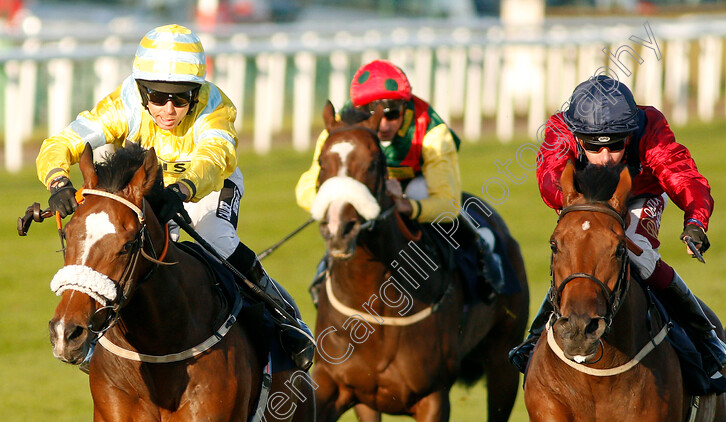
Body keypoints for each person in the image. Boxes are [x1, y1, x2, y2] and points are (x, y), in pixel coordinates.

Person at [35, 24, 314, 371]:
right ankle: (98, 335)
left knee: (217, 238)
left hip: (205, 186)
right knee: (116, 248)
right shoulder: (122, 104)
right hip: (143, 187)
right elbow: (63, 142)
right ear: (141, 91)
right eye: (158, 97)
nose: (168, 109)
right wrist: (58, 181)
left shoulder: (216, 107)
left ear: (196, 94)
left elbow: (214, 159)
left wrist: (182, 190)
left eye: (181, 98)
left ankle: (284, 319)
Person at [508, 74, 726, 378]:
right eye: (594, 148)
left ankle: (705, 336)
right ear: (577, 135)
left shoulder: (649, 126)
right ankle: (534, 338)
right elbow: (549, 178)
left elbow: (683, 177)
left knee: (638, 255)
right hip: (584, 201)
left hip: (639, 196)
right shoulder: (561, 127)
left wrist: (695, 219)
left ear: (629, 134)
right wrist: (581, 207)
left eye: (615, 146)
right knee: (576, 253)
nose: (605, 159)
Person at [295, 59, 505, 301]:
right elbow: (306, 188)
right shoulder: (340, 128)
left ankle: (481, 257)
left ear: (406, 107)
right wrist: (339, 199)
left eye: (392, 113)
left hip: (417, 189)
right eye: (371, 113)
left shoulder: (433, 132)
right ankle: (325, 272)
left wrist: (406, 205)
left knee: (417, 190)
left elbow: (447, 205)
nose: (383, 124)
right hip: (368, 196)